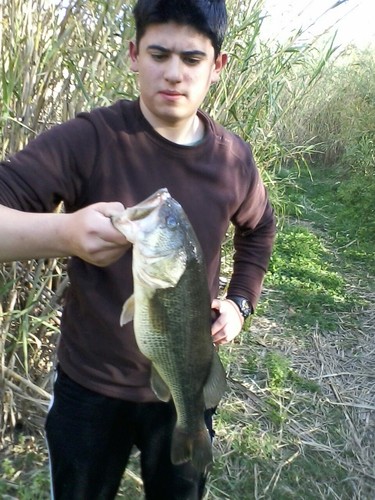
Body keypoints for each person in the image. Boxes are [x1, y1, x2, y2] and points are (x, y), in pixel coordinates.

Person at [0, 0, 276, 498]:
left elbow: (260, 229)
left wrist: (240, 303)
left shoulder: (233, 160)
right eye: (159, 54)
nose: (174, 73)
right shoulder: (90, 139)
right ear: (133, 54)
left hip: (187, 380)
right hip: (89, 383)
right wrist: (63, 234)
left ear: (217, 66)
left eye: (192, 59)